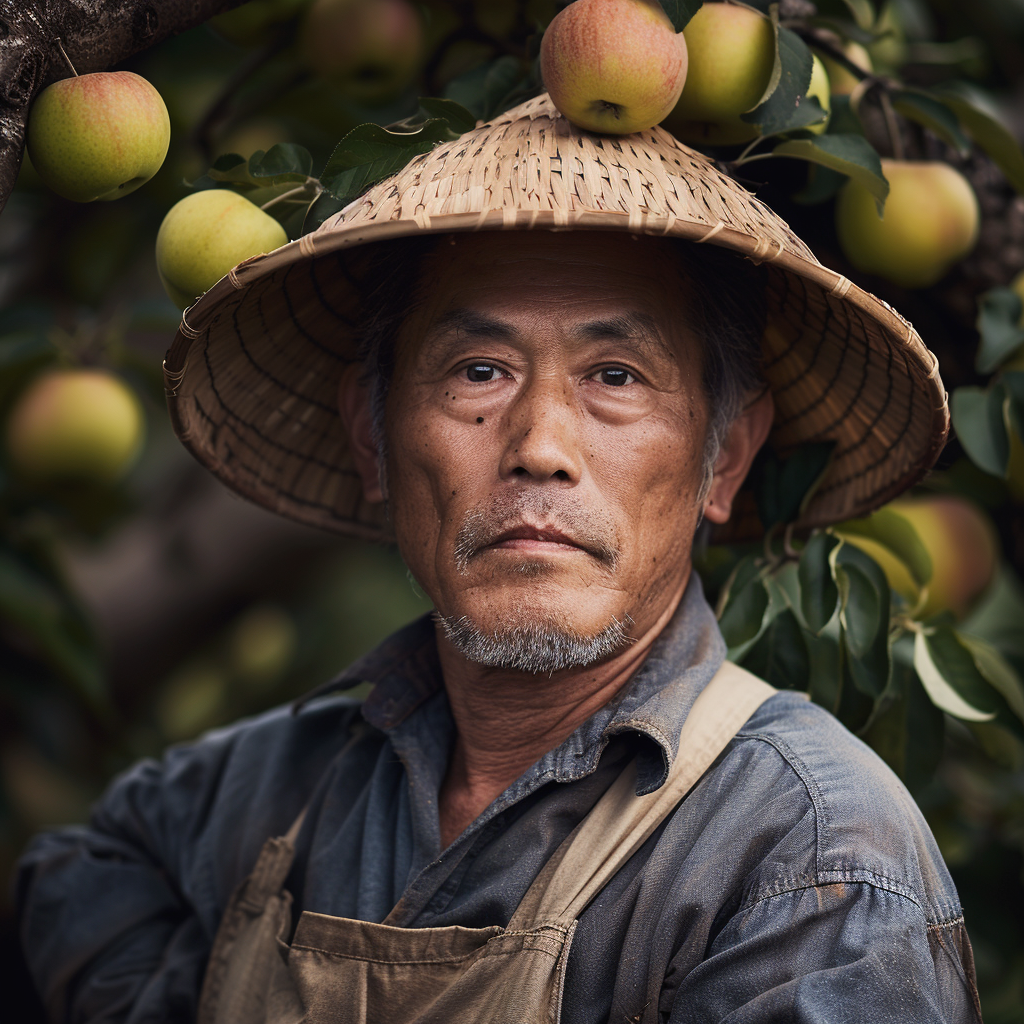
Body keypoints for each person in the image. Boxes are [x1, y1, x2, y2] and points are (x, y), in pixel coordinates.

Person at [17, 94, 980, 1023]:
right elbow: (72, 891)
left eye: (615, 376)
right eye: (480, 371)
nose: (539, 444)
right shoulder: (261, 794)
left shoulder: (807, 858)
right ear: (372, 437)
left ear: (722, 457)